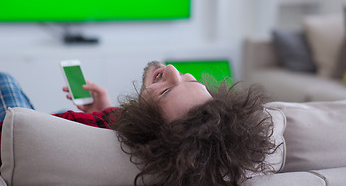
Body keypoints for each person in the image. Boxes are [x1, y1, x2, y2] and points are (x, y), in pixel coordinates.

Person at [0, 61, 277, 186]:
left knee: (5, 80)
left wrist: (100, 115)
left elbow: (20, 131)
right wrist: (105, 109)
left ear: (147, 127)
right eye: (191, 81)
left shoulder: (94, 127)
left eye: (167, 90)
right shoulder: (120, 125)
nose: (172, 70)